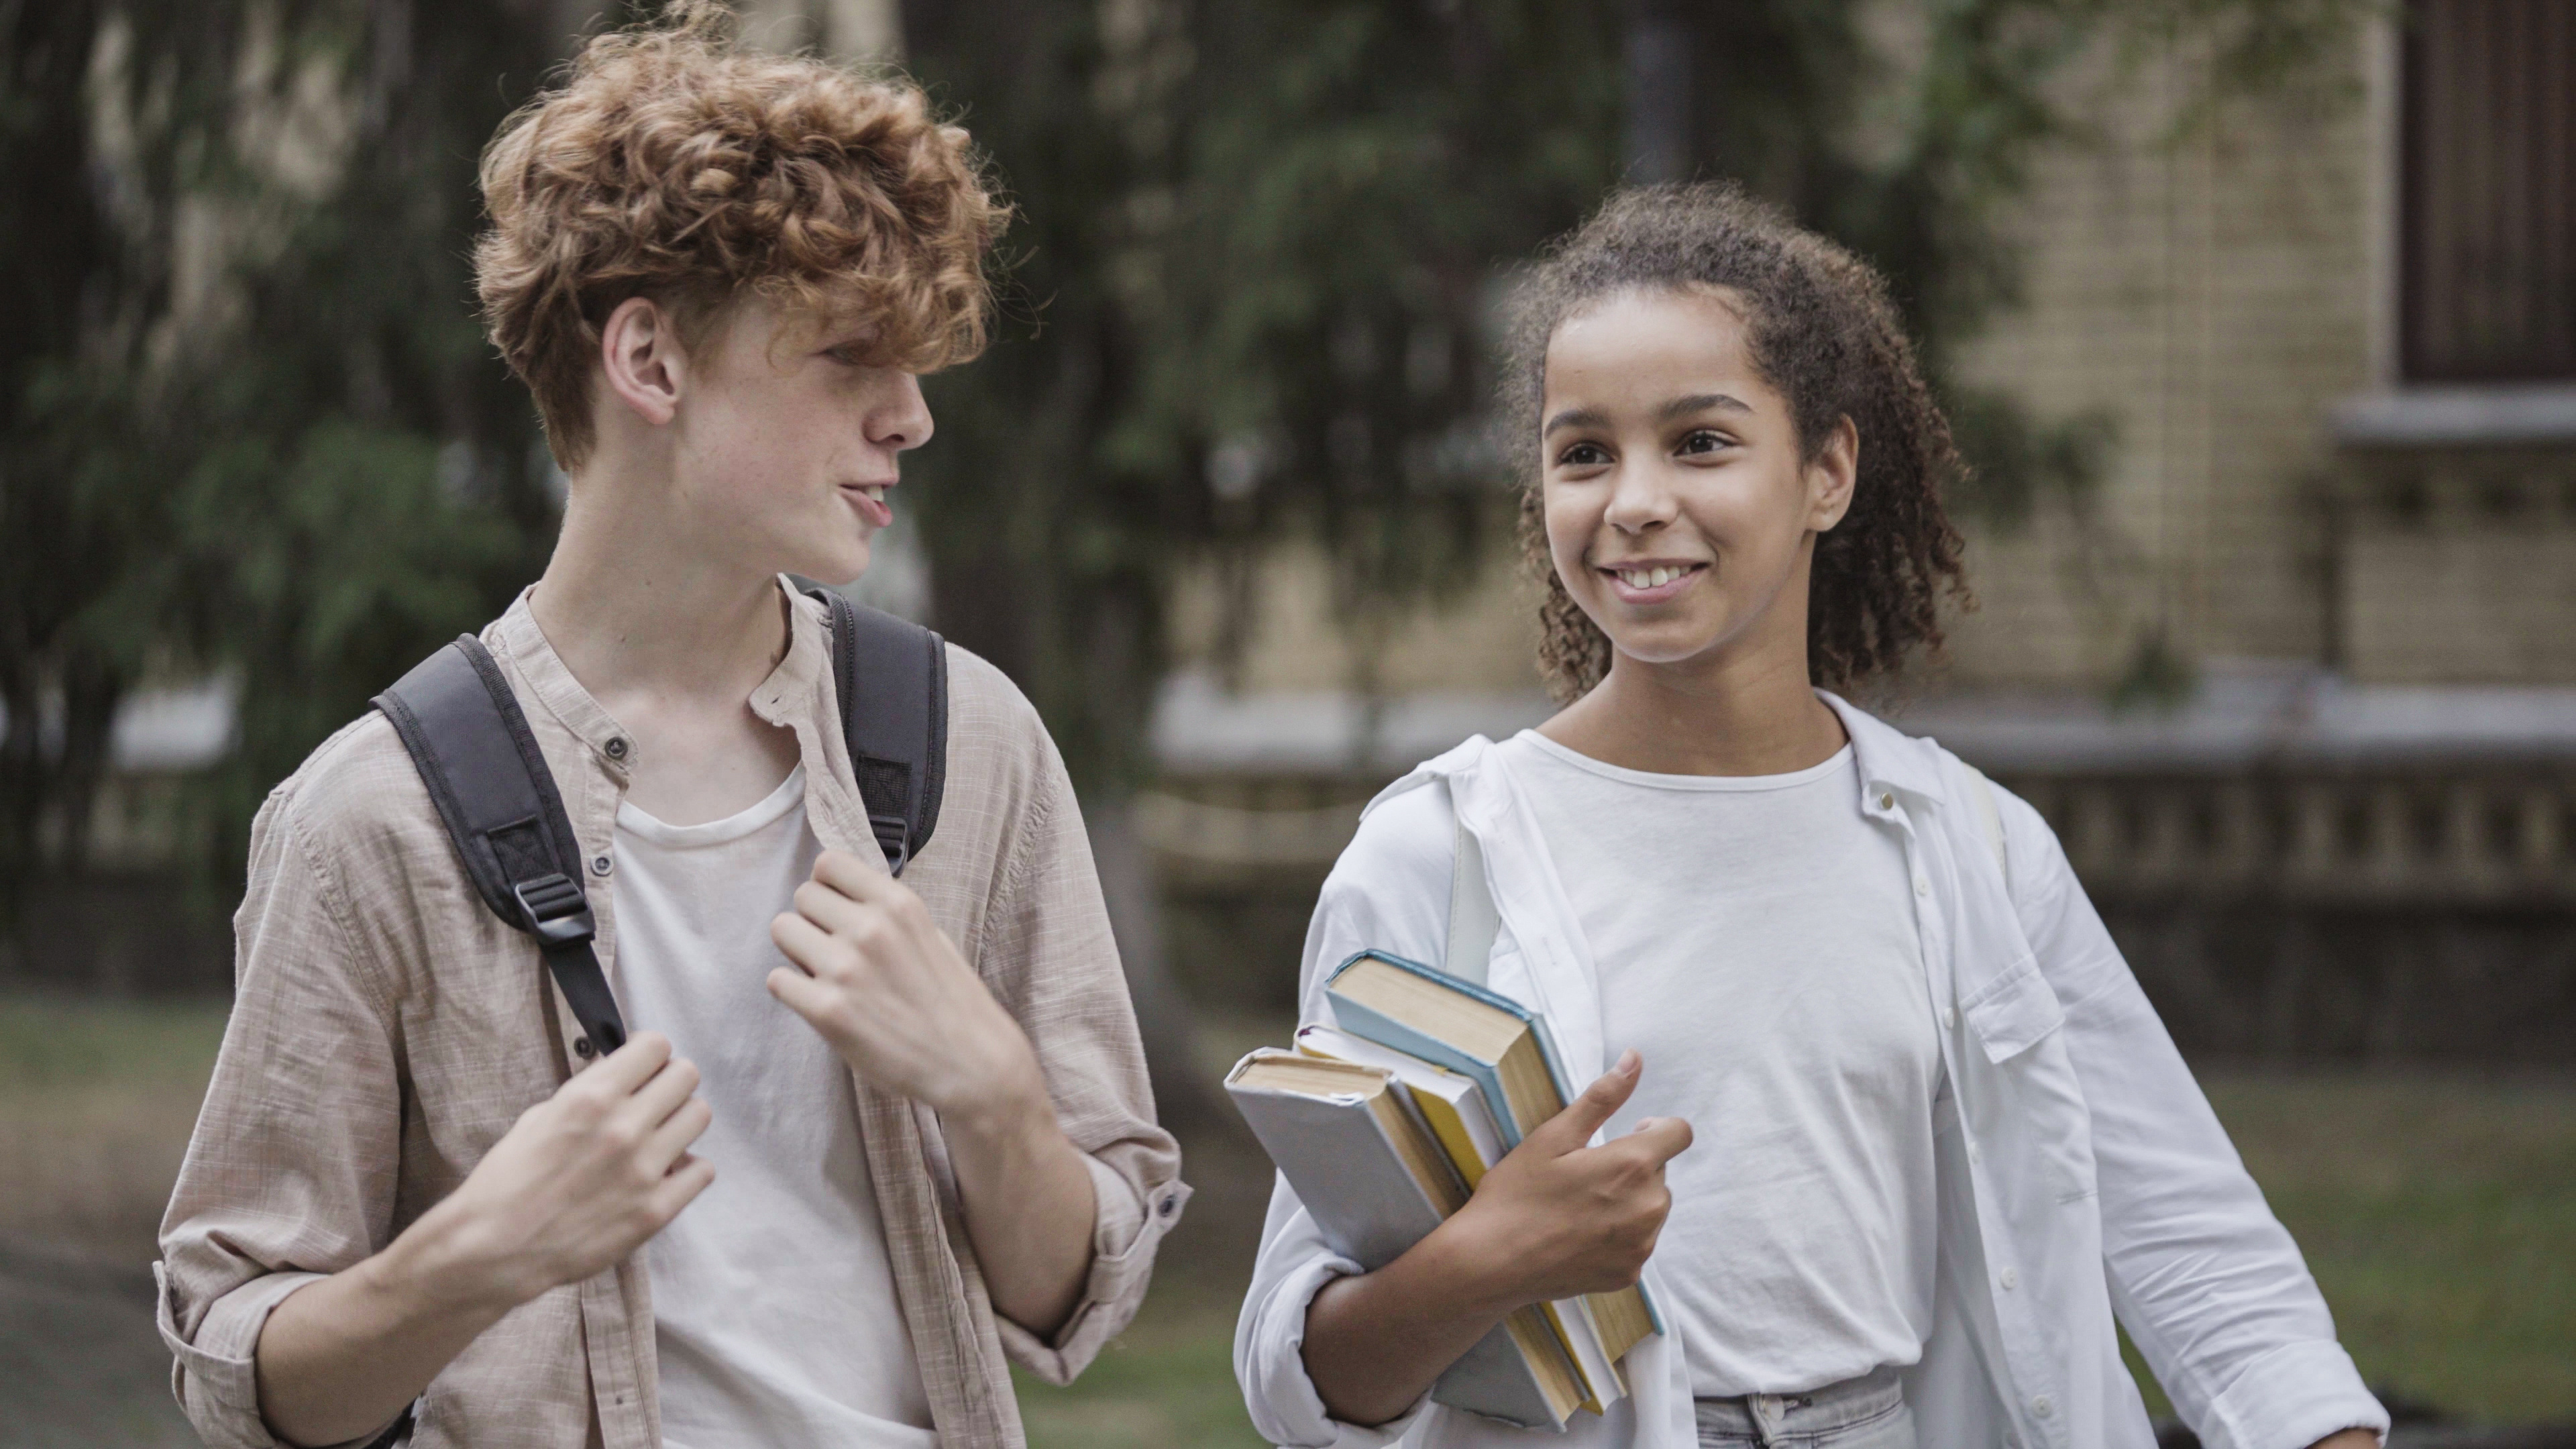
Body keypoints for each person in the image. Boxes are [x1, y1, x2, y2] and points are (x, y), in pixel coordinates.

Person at [156, 8, 1185, 1447]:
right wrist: (466, 1263)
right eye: (848, 357)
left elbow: (1079, 1293)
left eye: (919, 365)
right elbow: (243, 1380)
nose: (913, 419)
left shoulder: (974, 746)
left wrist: (997, 1096)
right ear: (650, 362)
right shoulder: (367, 821)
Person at [1236, 183, 2385, 1449]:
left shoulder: (1977, 850)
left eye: (1700, 442)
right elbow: (1302, 1381)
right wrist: (1491, 1260)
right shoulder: (1437, 857)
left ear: (1826, 471)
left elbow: (2196, 1250)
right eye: (1583, 453)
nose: (1632, 500)